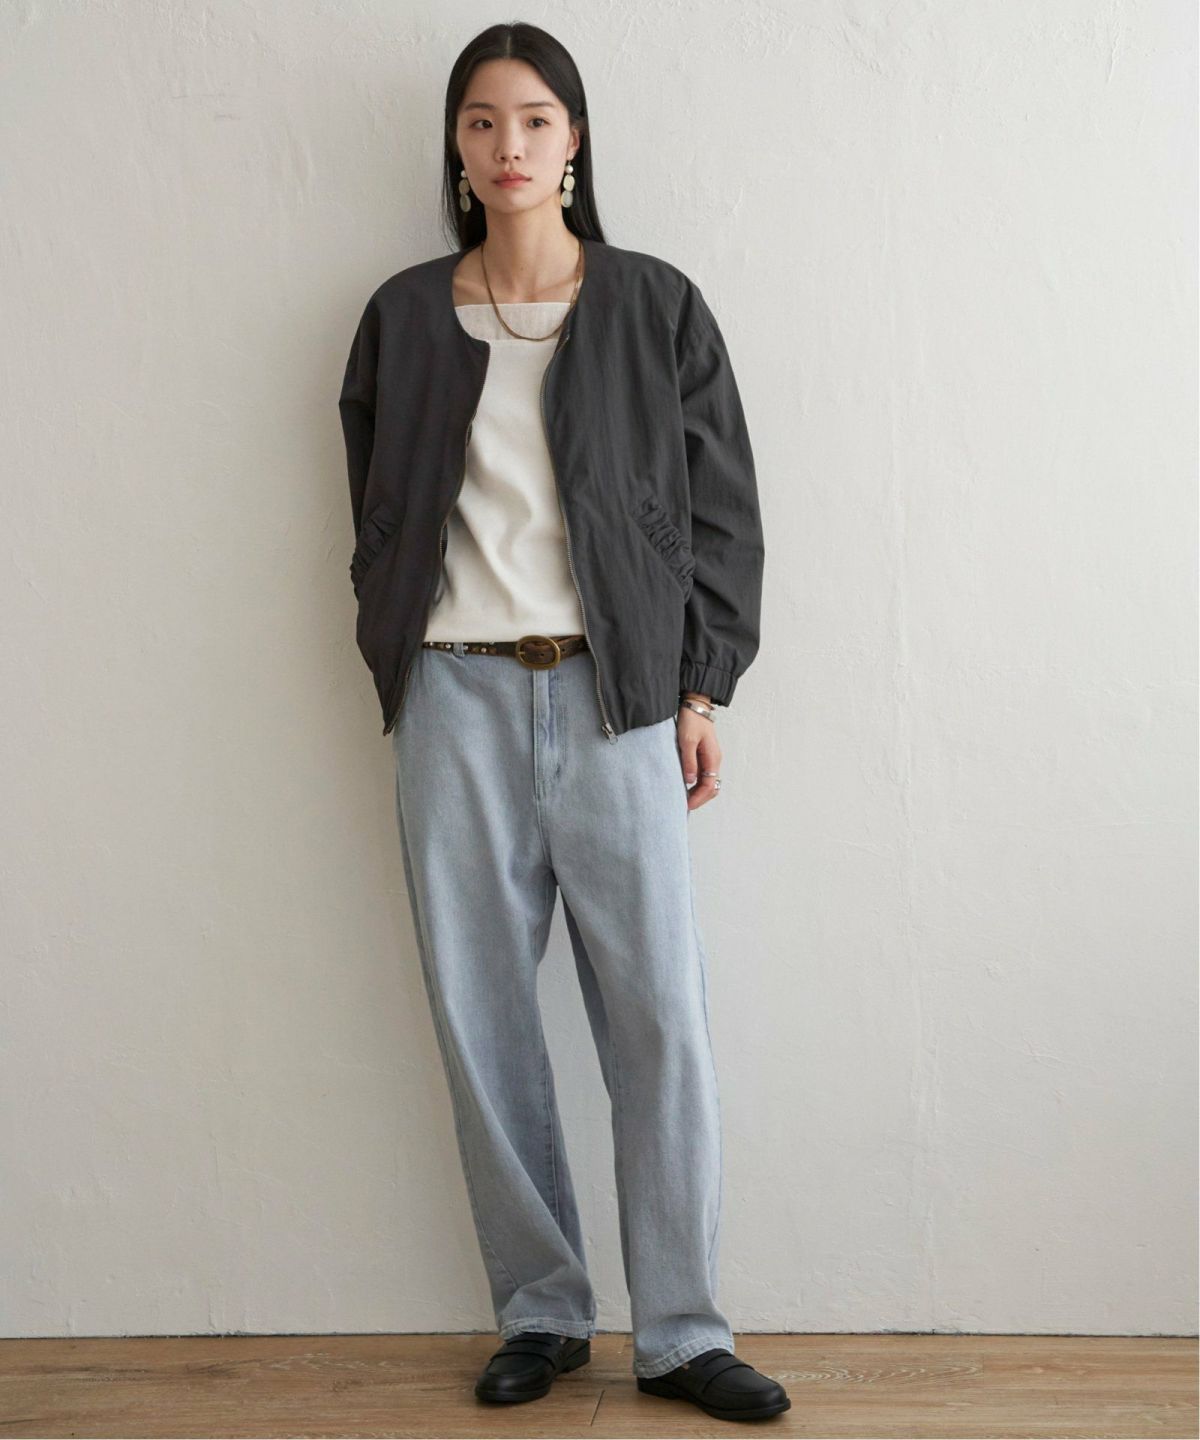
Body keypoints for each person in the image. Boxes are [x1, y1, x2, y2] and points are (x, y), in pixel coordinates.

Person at [338, 21, 788, 1424]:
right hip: (455, 695)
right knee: (482, 1021)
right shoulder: (405, 316)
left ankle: (683, 1332)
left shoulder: (654, 305)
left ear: (575, 138)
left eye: (535, 118)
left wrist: (700, 686)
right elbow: (376, 502)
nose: (509, 145)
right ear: (457, 145)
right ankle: (541, 1313)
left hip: (618, 697)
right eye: (482, 121)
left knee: (659, 1019)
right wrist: (393, 632)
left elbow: (724, 511)